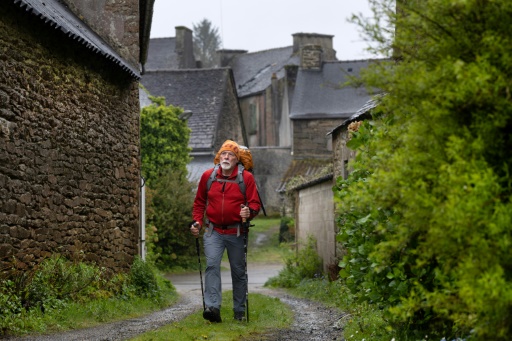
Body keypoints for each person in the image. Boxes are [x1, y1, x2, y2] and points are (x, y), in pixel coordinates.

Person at [190, 140, 261, 323]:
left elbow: (254, 204)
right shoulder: (208, 176)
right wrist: (197, 222)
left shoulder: (246, 178)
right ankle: (213, 308)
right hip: (213, 231)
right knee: (212, 266)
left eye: (230, 155)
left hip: (236, 232)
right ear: (218, 157)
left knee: (238, 272)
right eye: (223, 154)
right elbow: (199, 203)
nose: (226, 157)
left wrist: (249, 212)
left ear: (237, 159)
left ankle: (239, 311)